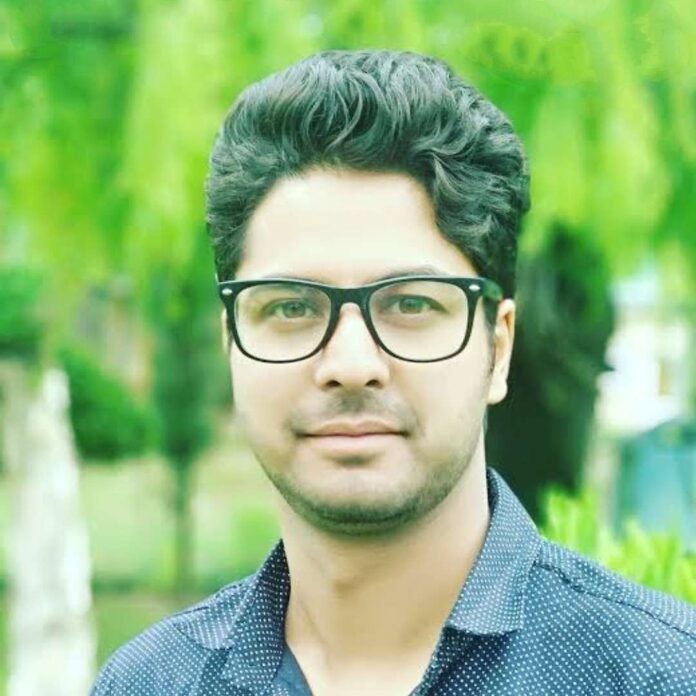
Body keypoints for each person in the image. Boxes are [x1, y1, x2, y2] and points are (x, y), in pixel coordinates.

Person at [91, 49, 695, 696]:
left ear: (498, 348)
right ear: (233, 343)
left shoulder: (659, 676)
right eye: (291, 307)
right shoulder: (151, 682)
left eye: (410, 305)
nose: (351, 365)